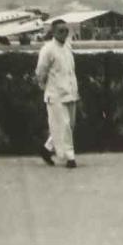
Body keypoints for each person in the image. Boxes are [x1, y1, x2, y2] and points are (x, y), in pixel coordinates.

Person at [35, 19, 79, 168]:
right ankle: (70, 158)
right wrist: (45, 87)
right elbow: (41, 71)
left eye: (66, 30)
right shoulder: (47, 49)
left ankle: (47, 149)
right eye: (61, 31)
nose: (64, 33)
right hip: (55, 95)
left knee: (69, 125)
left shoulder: (67, 47)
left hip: (70, 92)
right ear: (53, 32)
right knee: (64, 125)